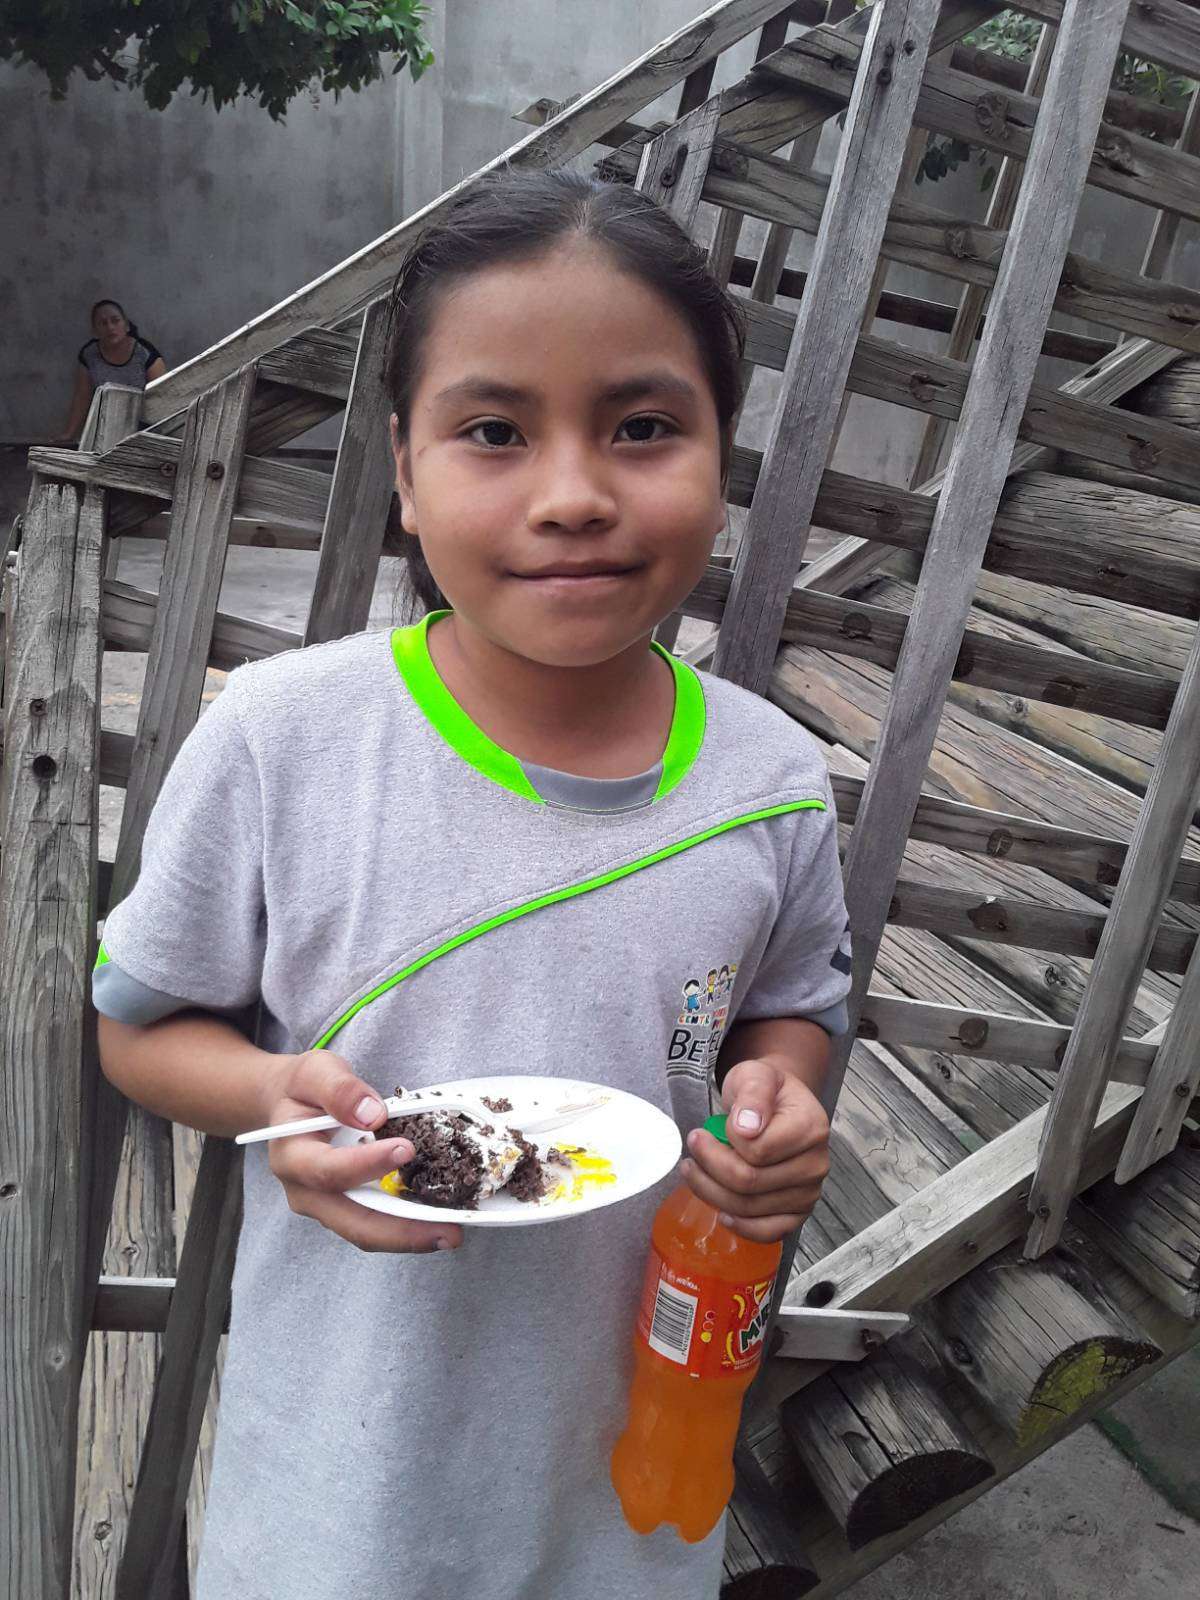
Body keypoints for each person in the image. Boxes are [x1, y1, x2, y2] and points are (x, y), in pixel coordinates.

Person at [93, 169, 852, 1600]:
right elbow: (136, 1026)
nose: (573, 495)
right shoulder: (282, 744)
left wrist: (778, 1096)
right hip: (342, 1495)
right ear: (404, 463)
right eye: (495, 431)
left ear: (720, 448)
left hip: (632, 1492)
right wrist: (269, 1099)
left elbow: (786, 1006)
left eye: (642, 427)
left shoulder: (769, 781)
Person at [56, 298, 165, 442]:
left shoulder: (146, 354)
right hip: (104, 429)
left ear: (126, 325)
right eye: (103, 323)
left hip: (142, 430)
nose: (110, 327)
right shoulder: (89, 355)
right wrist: (69, 434)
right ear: (95, 331)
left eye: (115, 321)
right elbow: (82, 396)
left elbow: (162, 398)